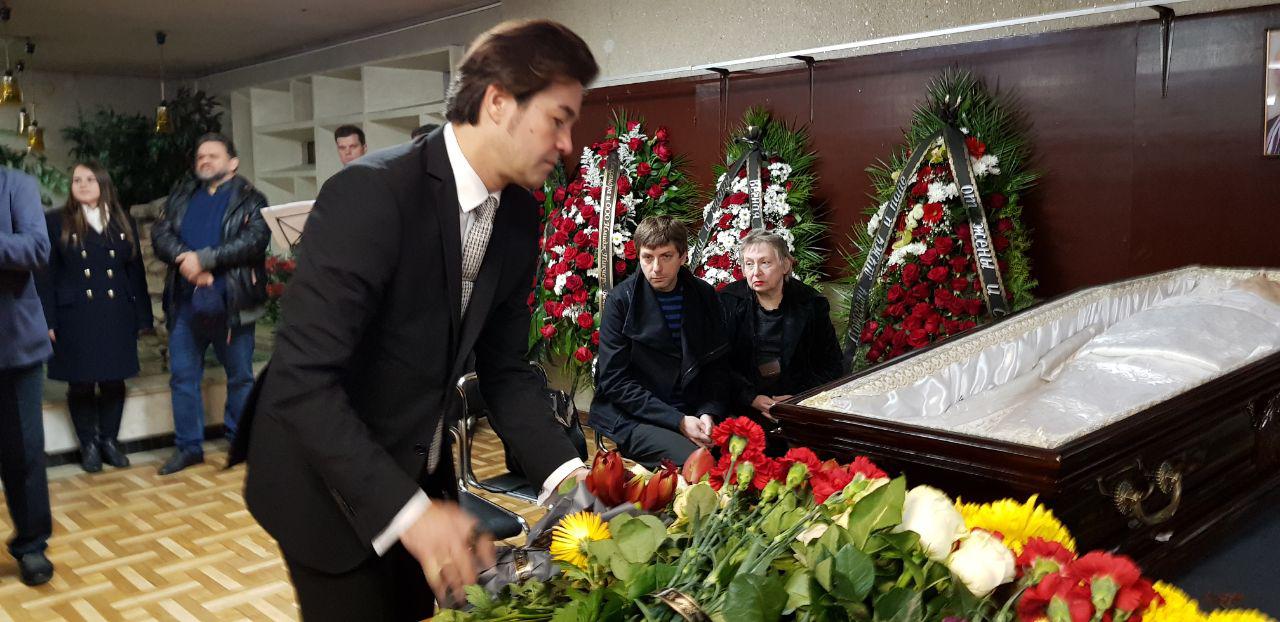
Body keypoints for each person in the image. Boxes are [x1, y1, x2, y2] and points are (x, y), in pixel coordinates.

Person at [231, 19, 599, 621]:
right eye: (558, 119)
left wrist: (569, 477)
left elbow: (505, 369)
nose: (566, 143)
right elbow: (302, 382)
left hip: (414, 471)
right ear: (498, 102)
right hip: (323, 481)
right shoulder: (370, 194)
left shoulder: (519, 216)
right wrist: (414, 517)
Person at [151, 133, 270, 475]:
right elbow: (161, 234)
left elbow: (254, 240)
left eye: (213, 155)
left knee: (240, 378)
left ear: (233, 162)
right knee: (182, 379)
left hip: (233, 304)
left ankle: (238, 440)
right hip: (186, 305)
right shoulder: (181, 195)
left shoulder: (251, 199)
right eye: (201, 156)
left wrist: (205, 260)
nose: (204, 160)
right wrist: (184, 260)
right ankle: (189, 448)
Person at [36, 162, 154, 472]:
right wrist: (47, 320)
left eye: (90, 179)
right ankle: (88, 445)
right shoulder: (55, 221)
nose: (83, 184)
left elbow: (135, 273)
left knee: (114, 379)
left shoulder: (121, 220)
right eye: (77, 179)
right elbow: (45, 276)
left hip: (116, 312)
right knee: (81, 383)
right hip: (75, 314)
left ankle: (109, 442)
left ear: (103, 183)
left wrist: (143, 317)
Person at [589, 216, 731, 469]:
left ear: (683, 256)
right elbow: (614, 382)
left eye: (666, 256)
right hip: (637, 417)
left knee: (748, 454)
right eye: (647, 257)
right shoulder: (621, 300)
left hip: (695, 411)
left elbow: (718, 366)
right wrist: (678, 421)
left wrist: (708, 412)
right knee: (701, 465)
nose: (656, 268)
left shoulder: (703, 294)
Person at [719, 231, 843, 452]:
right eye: (749, 264)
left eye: (765, 263)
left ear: (785, 265)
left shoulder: (811, 304)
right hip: (742, 403)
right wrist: (751, 398)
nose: (756, 272)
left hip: (797, 404)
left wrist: (799, 399)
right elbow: (718, 365)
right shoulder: (728, 301)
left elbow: (831, 365)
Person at [0, 166, 55, 586]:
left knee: (23, 453)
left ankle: (32, 544)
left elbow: (37, 248)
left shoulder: (15, 185)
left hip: (13, 345)